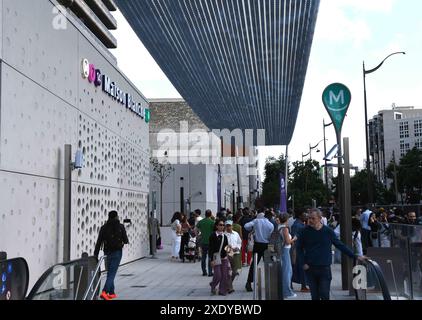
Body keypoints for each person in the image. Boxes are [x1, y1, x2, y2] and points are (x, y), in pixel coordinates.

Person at [296, 209, 366, 300]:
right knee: (314, 296)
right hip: (310, 268)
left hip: (324, 268)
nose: (310, 221)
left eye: (313, 218)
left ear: (320, 218)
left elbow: (339, 245)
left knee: (325, 294)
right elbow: (299, 248)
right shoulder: (304, 231)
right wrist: (303, 263)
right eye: (309, 218)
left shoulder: (328, 231)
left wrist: (355, 256)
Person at [94, 211, 129, 300]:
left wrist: (96, 254)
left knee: (110, 272)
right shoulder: (120, 226)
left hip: (107, 252)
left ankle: (112, 292)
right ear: (116, 217)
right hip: (117, 252)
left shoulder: (104, 227)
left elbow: (99, 242)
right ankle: (105, 291)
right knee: (111, 273)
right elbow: (125, 240)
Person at [244, 212, 274, 292]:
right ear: (270, 217)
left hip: (257, 245)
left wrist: (252, 229)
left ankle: (249, 283)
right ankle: (270, 283)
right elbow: (271, 238)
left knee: (254, 264)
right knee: (269, 264)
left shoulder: (257, 221)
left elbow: (246, 226)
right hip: (267, 245)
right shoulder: (271, 225)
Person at [276, 214, 297, 298]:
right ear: (287, 219)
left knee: (286, 271)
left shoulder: (279, 227)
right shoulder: (285, 229)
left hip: (282, 251)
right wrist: (294, 239)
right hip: (285, 250)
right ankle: (287, 292)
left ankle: (285, 291)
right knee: (287, 272)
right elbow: (288, 241)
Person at [209, 219, 230, 296]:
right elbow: (210, 248)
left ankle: (222, 290)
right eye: (220, 225)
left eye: (223, 225)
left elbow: (227, 247)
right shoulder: (212, 236)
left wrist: (229, 252)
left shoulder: (225, 236)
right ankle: (213, 285)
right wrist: (211, 260)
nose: (222, 226)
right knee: (218, 275)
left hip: (224, 258)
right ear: (216, 226)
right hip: (216, 257)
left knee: (224, 275)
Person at [291, 209, 309, 292]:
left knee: (298, 268)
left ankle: (303, 285)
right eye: (304, 214)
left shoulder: (299, 224)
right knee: (300, 268)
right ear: (300, 216)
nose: (306, 216)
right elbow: (296, 238)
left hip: (300, 248)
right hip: (299, 249)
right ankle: (303, 286)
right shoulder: (298, 225)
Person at [224, 220, 242, 294]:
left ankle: (228, 284)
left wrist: (237, 247)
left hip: (235, 253)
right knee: (228, 271)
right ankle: (230, 287)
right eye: (227, 226)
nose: (228, 227)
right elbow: (223, 245)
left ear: (232, 226)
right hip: (227, 254)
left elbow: (239, 242)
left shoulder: (236, 234)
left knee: (235, 271)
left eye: (229, 225)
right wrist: (228, 249)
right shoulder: (224, 235)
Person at [196, 209, 215, 276]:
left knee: (203, 257)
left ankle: (204, 271)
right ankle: (210, 272)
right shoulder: (212, 222)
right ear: (210, 214)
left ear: (205, 214)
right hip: (211, 242)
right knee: (210, 257)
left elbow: (196, 229)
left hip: (203, 241)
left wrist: (198, 236)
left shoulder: (201, 221)